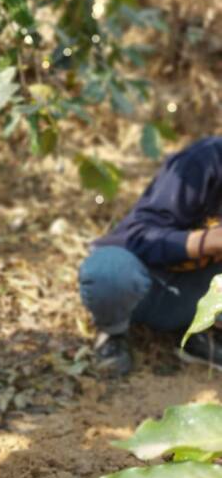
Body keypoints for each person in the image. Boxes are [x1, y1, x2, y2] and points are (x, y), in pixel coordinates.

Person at [79, 136, 222, 376]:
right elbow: (137, 235)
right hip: (145, 284)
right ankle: (112, 332)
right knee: (109, 271)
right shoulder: (204, 162)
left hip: (196, 295)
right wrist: (207, 242)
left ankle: (203, 334)